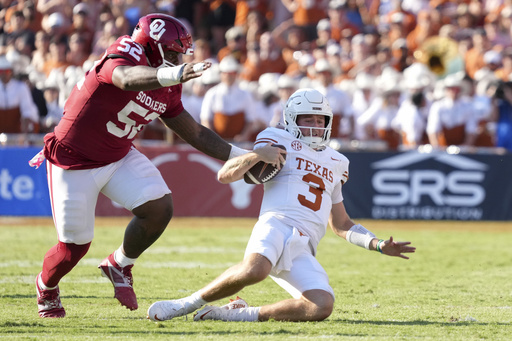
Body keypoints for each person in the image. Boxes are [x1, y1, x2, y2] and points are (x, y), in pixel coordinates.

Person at [31, 13, 248, 319]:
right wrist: (172, 74)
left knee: (159, 206)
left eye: (179, 54)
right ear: (152, 45)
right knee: (73, 247)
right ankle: (46, 286)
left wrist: (242, 156)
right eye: (171, 52)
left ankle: (119, 264)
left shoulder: (169, 82)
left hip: (118, 155)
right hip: (74, 158)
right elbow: (125, 78)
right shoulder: (126, 51)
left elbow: (193, 132)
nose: (177, 59)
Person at [147, 88, 416, 323]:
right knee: (255, 270)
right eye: (307, 118)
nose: (314, 125)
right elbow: (225, 174)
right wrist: (255, 154)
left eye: (319, 119)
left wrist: (377, 244)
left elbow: (342, 224)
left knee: (321, 305)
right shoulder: (277, 137)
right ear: (291, 120)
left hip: (304, 243)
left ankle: (237, 313)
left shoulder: (338, 161)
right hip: (277, 223)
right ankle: (185, 304)